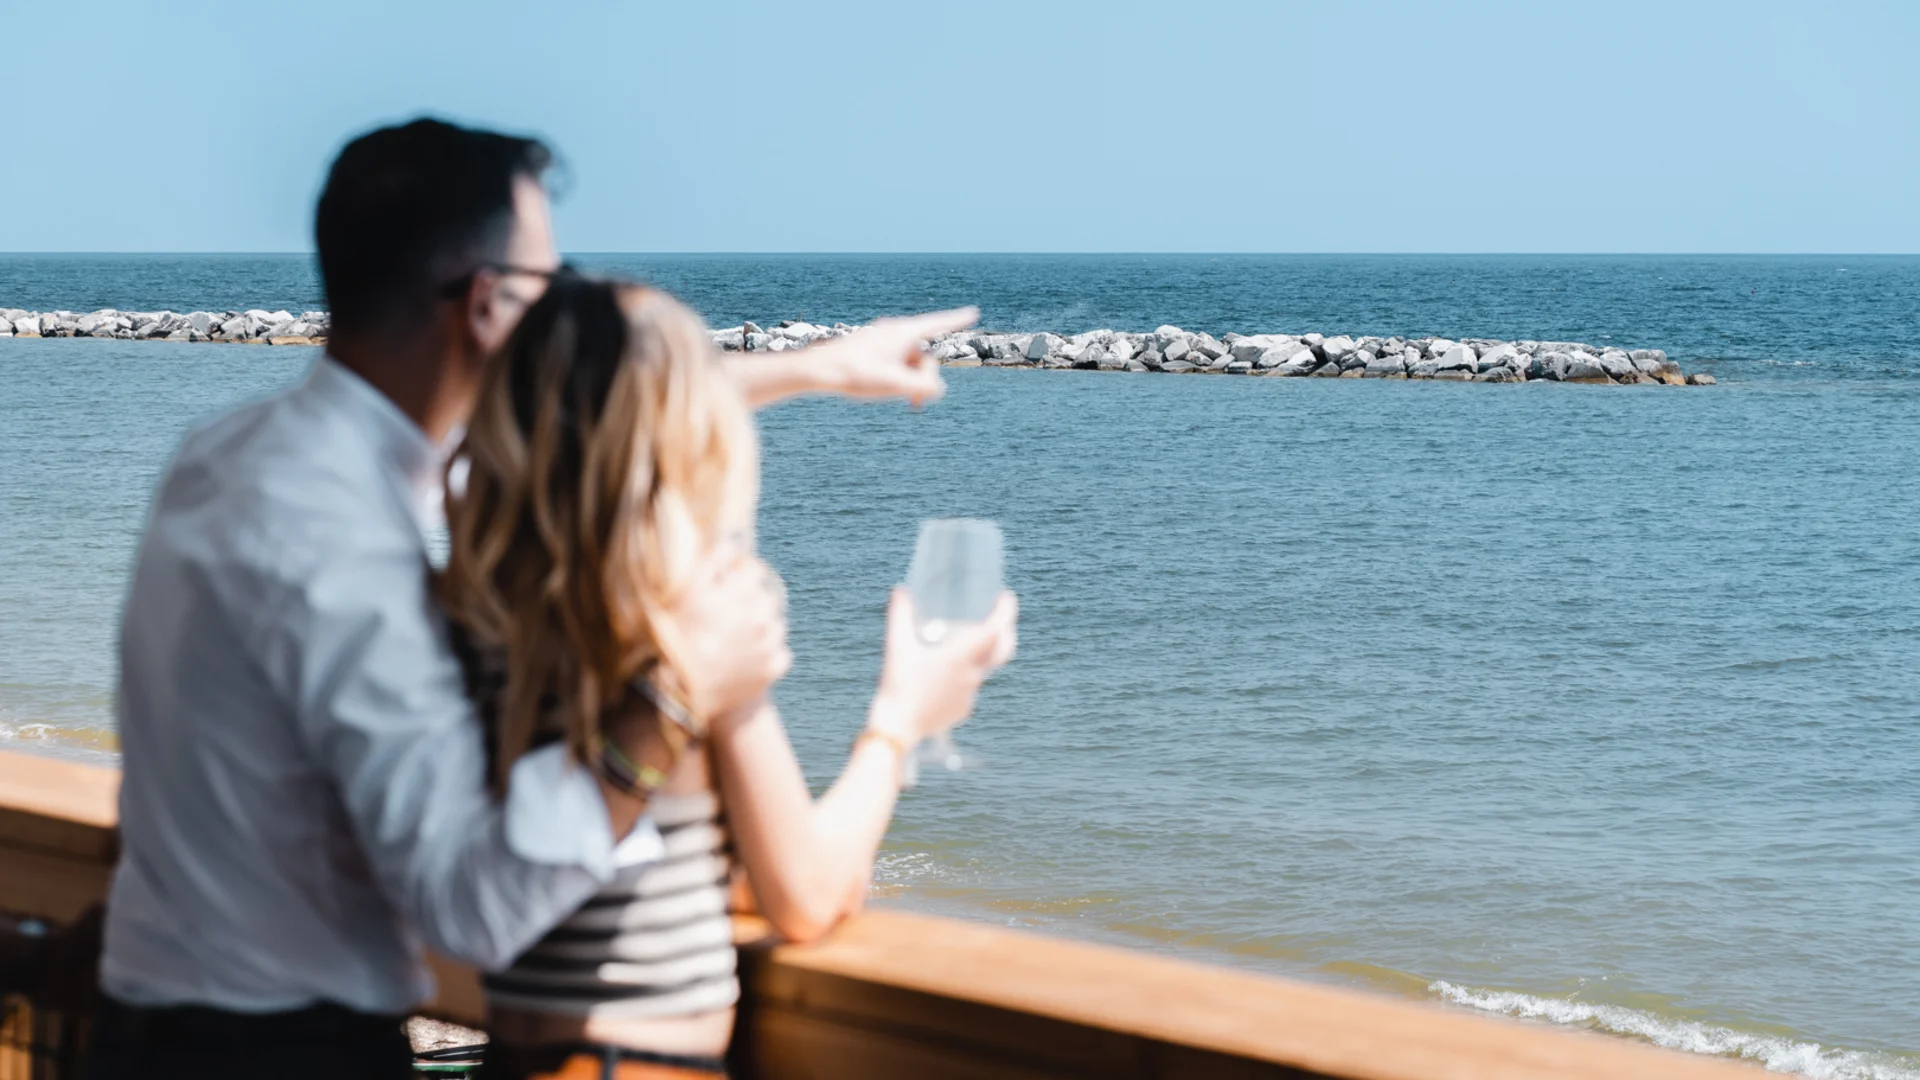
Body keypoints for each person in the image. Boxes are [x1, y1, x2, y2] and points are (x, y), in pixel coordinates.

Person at [89, 116, 976, 1079]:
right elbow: (472, 908)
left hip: (151, 1023)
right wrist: (685, 692)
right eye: (550, 286)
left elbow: (582, 425)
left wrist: (811, 370)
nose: (565, 315)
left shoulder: (238, 458)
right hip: (278, 1053)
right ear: (486, 305)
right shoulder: (343, 549)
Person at [436, 273, 1016, 1080]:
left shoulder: (479, 609)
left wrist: (820, 366)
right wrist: (899, 722)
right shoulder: (688, 629)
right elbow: (806, 894)